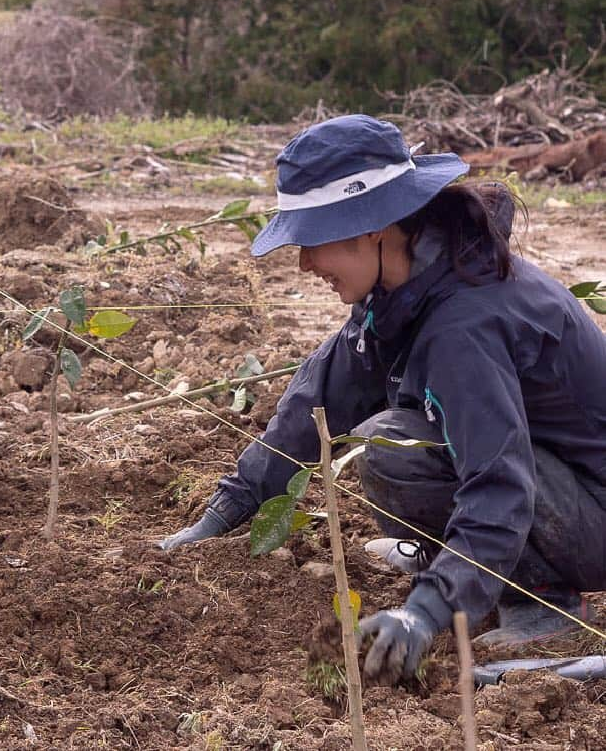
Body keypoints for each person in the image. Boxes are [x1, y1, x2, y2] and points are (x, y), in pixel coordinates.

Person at [160, 114, 606, 684]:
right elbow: (318, 402)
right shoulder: (403, 290)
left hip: (590, 508)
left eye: (311, 240)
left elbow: (500, 482)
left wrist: (423, 614)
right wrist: (223, 513)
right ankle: (467, 566)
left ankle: (543, 599)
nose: (303, 264)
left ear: (370, 227)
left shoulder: (464, 323)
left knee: (393, 443)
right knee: (390, 436)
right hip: (556, 485)